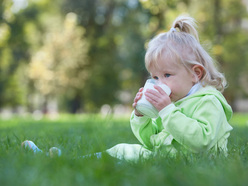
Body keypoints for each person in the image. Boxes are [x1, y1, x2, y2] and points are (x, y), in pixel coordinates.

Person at [22, 15, 233, 162]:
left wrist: (168, 111)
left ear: (196, 73)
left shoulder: (209, 102)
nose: (160, 83)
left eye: (167, 75)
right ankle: (68, 160)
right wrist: (142, 116)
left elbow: (202, 142)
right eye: (155, 77)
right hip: (162, 158)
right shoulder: (173, 102)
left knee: (126, 155)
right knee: (122, 150)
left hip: (191, 166)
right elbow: (151, 142)